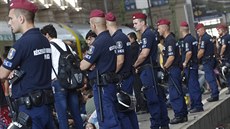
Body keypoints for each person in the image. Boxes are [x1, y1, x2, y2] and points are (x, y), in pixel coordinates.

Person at [0, 0, 55, 129]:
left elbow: (2, 74)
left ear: (21, 19)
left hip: (29, 109)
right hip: (45, 105)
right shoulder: (44, 40)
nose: (9, 23)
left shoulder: (22, 44)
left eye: (10, 18)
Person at [80, 9, 121, 129]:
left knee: (107, 119)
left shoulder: (98, 43)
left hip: (102, 87)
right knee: (113, 115)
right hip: (110, 84)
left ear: (93, 24)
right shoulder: (110, 39)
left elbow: (83, 65)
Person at [40, 24, 84, 129]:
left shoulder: (49, 46)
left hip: (58, 83)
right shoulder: (66, 46)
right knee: (76, 113)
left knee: (62, 115)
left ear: (47, 35)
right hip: (71, 83)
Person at [132, 13, 169, 129]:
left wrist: (134, 65)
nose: (134, 26)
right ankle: (163, 124)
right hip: (150, 69)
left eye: (135, 23)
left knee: (152, 99)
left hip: (148, 70)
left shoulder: (147, 35)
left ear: (142, 22)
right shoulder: (148, 34)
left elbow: (144, 54)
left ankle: (156, 125)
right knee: (158, 97)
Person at [105, 12, 139, 129]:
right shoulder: (123, 36)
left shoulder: (117, 39)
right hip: (127, 77)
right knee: (129, 109)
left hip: (122, 79)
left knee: (122, 111)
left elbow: (120, 60)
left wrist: (112, 73)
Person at [157, 19, 188, 124]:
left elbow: (171, 57)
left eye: (159, 27)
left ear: (165, 28)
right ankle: (183, 114)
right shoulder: (171, 39)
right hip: (175, 69)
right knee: (178, 91)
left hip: (173, 69)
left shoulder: (169, 40)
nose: (158, 30)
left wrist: (165, 68)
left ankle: (179, 115)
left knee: (174, 93)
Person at [179, 21, 203, 113]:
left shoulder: (187, 40)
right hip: (193, 65)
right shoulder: (192, 38)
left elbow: (189, 52)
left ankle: (197, 105)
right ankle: (195, 105)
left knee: (193, 86)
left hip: (190, 66)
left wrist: (185, 62)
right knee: (193, 85)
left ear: (181, 29)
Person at [196, 23, 219, 102]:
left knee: (210, 77)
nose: (198, 33)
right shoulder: (208, 37)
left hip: (207, 60)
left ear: (202, 29)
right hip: (211, 59)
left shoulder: (204, 38)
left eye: (198, 31)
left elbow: (201, 51)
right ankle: (215, 93)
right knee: (211, 77)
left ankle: (214, 94)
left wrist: (195, 59)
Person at [216, 23, 230, 94]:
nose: (218, 31)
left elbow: (223, 47)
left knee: (226, 73)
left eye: (219, 30)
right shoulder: (226, 37)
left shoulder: (225, 38)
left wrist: (221, 54)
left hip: (226, 58)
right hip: (227, 57)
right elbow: (218, 46)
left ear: (223, 29)